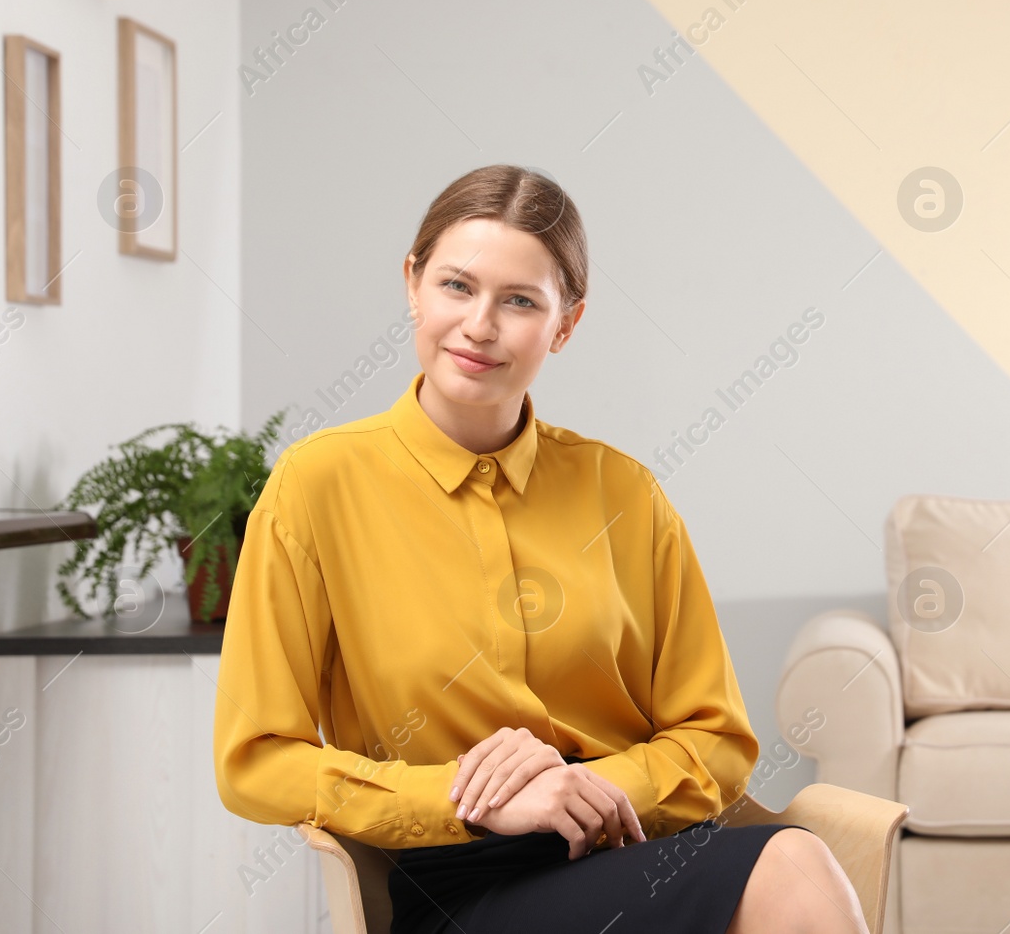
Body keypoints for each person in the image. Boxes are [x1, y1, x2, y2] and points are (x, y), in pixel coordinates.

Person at [212, 164, 869, 933]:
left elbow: (716, 741)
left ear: (565, 324)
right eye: (457, 286)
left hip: (640, 843)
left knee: (792, 860)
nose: (480, 325)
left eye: (519, 300)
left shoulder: (625, 493)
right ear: (413, 284)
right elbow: (255, 758)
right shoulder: (316, 485)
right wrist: (476, 794)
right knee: (792, 861)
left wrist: (585, 786)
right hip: (460, 875)